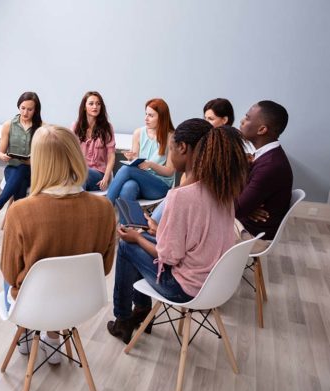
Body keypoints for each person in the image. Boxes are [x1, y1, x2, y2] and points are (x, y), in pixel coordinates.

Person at [107, 119, 249, 344]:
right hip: (215, 282)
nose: (171, 153)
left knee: (127, 245)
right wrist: (158, 229)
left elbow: (169, 257)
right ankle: (141, 313)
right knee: (141, 236)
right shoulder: (223, 190)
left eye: (171, 148)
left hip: (185, 288)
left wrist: (137, 237)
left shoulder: (181, 196)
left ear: (182, 148)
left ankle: (124, 319)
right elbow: (196, 237)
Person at [1, 125, 116, 364]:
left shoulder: (20, 211)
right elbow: (104, 269)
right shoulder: (104, 208)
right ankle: (54, 337)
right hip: (81, 301)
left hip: (33, 303)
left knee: (12, 273)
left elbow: (11, 274)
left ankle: (26, 333)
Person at [235, 100, 293, 248]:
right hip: (245, 221)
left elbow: (237, 209)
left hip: (253, 234)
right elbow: (241, 204)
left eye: (247, 118)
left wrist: (244, 207)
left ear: (262, 130)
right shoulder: (264, 156)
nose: (242, 121)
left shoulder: (271, 166)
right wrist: (246, 207)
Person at [0, 92, 42, 222]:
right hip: (13, 168)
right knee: (20, 176)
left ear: (36, 110)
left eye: (30, 109)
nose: (25, 113)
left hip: (34, 171)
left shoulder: (41, 127)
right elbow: (0, 153)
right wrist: (3, 156)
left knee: (22, 171)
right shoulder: (8, 125)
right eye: (22, 108)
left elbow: (45, 156)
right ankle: (20, 222)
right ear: (18, 107)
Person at [106, 98, 175, 204]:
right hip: (140, 181)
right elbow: (136, 163)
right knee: (128, 188)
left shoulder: (171, 137)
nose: (146, 118)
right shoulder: (138, 133)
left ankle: (105, 208)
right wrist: (131, 158)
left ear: (161, 118)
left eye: (151, 116)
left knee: (127, 170)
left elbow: (170, 172)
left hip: (159, 186)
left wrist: (151, 165)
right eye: (146, 114)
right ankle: (126, 221)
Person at [73, 91, 116, 191]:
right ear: (84, 107)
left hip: (99, 175)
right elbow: (70, 152)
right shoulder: (76, 127)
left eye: (98, 103)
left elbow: (111, 156)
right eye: (91, 103)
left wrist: (106, 177)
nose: (95, 106)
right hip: (79, 173)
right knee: (76, 176)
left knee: (80, 175)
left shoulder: (107, 128)